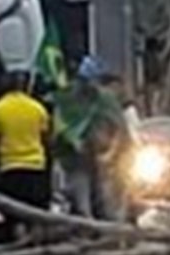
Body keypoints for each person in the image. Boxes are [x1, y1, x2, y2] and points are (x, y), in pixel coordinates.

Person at [53, 56, 127, 219]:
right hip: (76, 159)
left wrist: (110, 154)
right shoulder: (68, 99)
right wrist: (71, 140)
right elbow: (60, 125)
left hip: (104, 159)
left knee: (107, 204)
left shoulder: (106, 100)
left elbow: (120, 130)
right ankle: (86, 226)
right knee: (82, 204)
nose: (89, 86)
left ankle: (111, 232)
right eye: (85, 81)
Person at [0, 72, 52, 237]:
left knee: (15, 213)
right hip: (36, 166)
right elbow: (46, 139)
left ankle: (18, 243)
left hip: (10, 167)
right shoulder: (38, 108)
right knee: (36, 212)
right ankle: (37, 245)